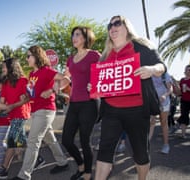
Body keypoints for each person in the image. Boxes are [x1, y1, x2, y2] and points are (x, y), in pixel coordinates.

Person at [94, 15, 165, 180]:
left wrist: (151, 69)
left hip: (137, 110)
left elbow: (161, 66)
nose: (112, 27)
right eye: (109, 25)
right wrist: (96, 86)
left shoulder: (141, 46)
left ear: (127, 26)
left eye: (117, 23)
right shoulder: (105, 55)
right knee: (104, 153)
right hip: (111, 111)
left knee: (140, 154)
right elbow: (102, 82)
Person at [10, 45, 69, 180]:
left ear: (37, 56)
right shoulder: (32, 75)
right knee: (50, 139)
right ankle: (63, 162)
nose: (26, 58)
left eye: (28, 55)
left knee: (33, 141)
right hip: (36, 110)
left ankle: (24, 175)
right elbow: (32, 93)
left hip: (46, 110)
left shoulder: (47, 71)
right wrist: (25, 97)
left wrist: (53, 90)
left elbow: (66, 79)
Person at [61, 26, 100, 180]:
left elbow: (104, 74)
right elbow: (67, 78)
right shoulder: (70, 59)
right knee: (66, 140)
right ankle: (81, 165)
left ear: (85, 37)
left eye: (77, 35)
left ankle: (88, 174)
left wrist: (96, 84)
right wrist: (57, 84)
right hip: (74, 103)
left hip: (89, 103)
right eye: (73, 35)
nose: (74, 38)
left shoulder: (94, 55)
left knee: (85, 141)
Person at [0, 58, 31, 179]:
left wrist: (12, 106)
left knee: (11, 142)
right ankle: (37, 158)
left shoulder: (23, 80)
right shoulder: (6, 83)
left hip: (20, 114)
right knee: (19, 142)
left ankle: (4, 170)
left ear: (11, 68)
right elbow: (2, 102)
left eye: (4, 67)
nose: (2, 69)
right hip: (12, 115)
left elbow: (27, 98)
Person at [149, 72, 173, 154]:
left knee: (163, 122)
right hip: (153, 102)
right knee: (151, 122)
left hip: (164, 102)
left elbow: (170, 89)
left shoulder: (165, 74)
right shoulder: (149, 74)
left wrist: (165, 95)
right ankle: (146, 145)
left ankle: (166, 145)